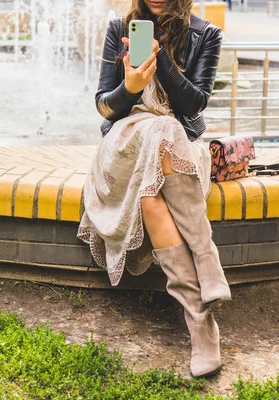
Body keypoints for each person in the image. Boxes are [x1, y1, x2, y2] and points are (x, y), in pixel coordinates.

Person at [76, 0, 230, 379]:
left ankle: (200, 326)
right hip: (125, 145)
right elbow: (105, 107)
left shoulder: (206, 33)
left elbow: (194, 105)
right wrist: (129, 89)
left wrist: (160, 62)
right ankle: (207, 267)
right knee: (159, 129)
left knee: (151, 194)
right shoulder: (120, 29)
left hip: (177, 149)